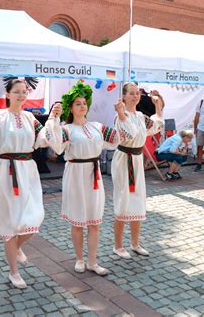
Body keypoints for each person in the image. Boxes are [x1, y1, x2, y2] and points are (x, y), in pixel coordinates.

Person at [0, 78, 48, 289]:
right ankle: (14, 272)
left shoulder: (30, 117)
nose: (21, 95)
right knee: (11, 221)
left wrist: (56, 120)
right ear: (8, 94)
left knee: (35, 215)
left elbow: (44, 137)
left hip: (28, 169)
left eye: (24, 92)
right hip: (8, 169)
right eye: (17, 92)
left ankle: (18, 246)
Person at [45, 82, 120, 276]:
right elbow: (56, 145)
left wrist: (122, 114)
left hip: (93, 175)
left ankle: (93, 262)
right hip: (75, 174)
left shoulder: (96, 126)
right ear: (71, 107)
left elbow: (117, 138)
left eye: (84, 103)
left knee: (94, 221)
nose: (82, 106)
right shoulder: (66, 129)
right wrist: (53, 118)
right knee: (78, 222)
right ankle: (79, 259)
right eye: (78, 103)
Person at [111, 82, 164, 259]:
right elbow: (131, 134)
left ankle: (135, 243)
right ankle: (118, 245)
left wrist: (158, 106)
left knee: (138, 199)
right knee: (123, 198)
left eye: (137, 93)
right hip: (124, 159)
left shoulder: (140, 116)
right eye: (131, 93)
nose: (135, 96)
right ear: (124, 96)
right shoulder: (120, 116)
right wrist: (121, 112)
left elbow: (155, 127)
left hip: (136, 159)